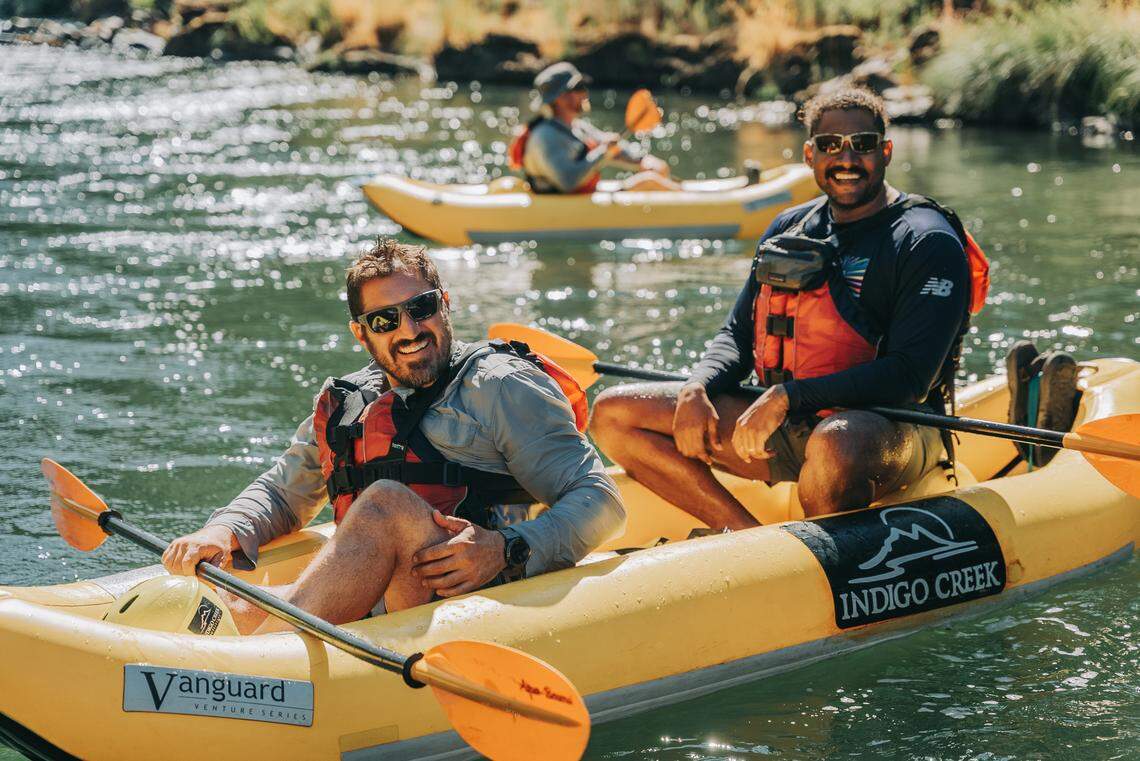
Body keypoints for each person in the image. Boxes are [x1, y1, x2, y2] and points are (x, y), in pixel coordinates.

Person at [162, 238, 625, 632]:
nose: (409, 329)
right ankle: (267, 641)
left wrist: (506, 548)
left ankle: (268, 658)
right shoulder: (347, 401)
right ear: (361, 333)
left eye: (421, 308)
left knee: (386, 503)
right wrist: (222, 530)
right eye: (385, 320)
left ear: (444, 303)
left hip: (474, 598)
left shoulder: (501, 386)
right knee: (220, 595)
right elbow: (283, 495)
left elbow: (601, 501)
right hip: (377, 599)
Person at [589, 87, 988, 527]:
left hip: (891, 431)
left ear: (886, 152)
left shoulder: (925, 240)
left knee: (835, 442)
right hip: (789, 423)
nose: (847, 159)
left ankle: (819, 551)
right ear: (809, 154)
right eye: (830, 145)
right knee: (613, 414)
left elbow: (910, 377)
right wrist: (697, 387)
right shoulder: (789, 227)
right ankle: (745, 537)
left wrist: (787, 397)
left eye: (863, 144)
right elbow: (738, 334)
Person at [508, 61, 679, 194]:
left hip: (579, 203)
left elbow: (612, 146)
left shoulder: (577, 127)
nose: (585, 93)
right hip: (560, 208)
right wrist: (603, 152)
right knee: (650, 183)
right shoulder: (545, 136)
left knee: (650, 179)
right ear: (561, 98)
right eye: (579, 88)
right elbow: (568, 181)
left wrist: (642, 160)